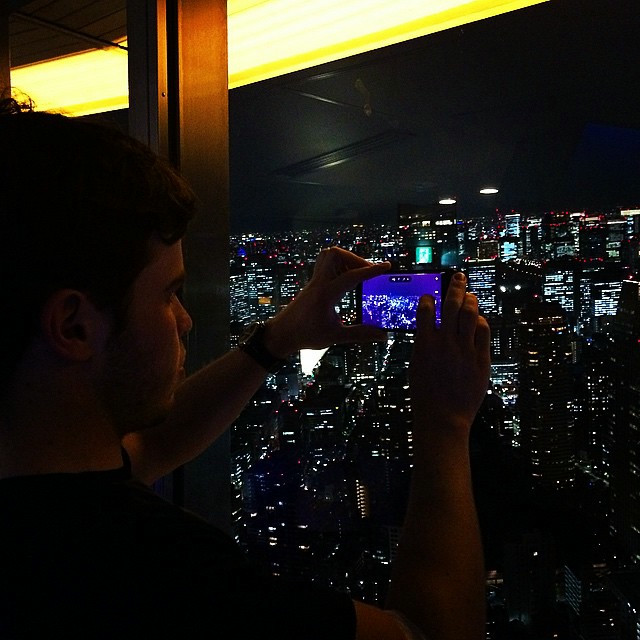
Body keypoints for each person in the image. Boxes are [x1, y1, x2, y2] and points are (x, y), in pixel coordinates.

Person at [0, 96, 490, 639]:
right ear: (73, 326)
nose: (185, 322)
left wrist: (278, 338)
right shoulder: (167, 578)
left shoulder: (37, 494)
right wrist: (446, 422)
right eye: (169, 295)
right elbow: (430, 632)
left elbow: (147, 450)